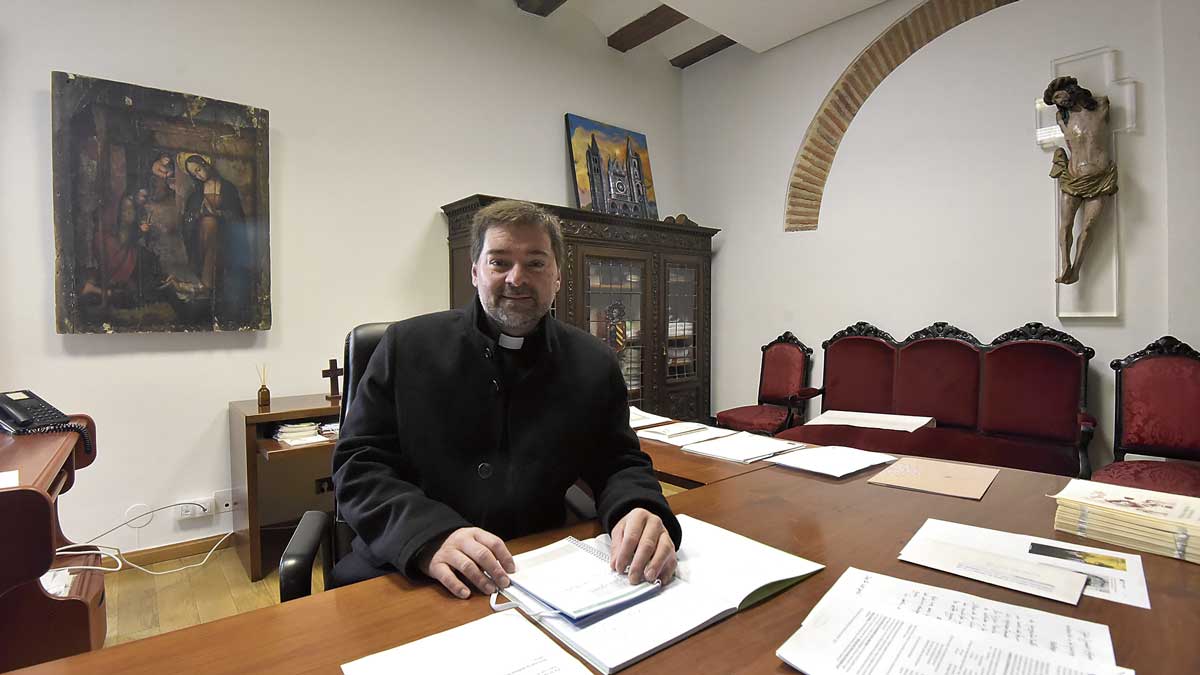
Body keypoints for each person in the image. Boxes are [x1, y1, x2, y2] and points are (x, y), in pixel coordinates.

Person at [332, 199, 681, 598]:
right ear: (475, 271)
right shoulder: (405, 347)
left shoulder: (592, 361)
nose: (517, 278)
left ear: (558, 277)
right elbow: (359, 466)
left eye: (535, 263)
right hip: (408, 564)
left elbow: (618, 461)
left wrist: (638, 507)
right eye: (500, 262)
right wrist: (429, 536)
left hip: (537, 567)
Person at [1044, 76, 1117, 285]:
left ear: (1070, 90)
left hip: (1100, 179)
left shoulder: (1100, 107)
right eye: (1055, 100)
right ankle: (1065, 264)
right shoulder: (1062, 118)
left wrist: (1082, 97)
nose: (1059, 101)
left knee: (1088, 227)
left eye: (1059, 95)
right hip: (1072, 178)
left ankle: (1076, 268)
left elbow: (1098, 100)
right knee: (1065, 224)